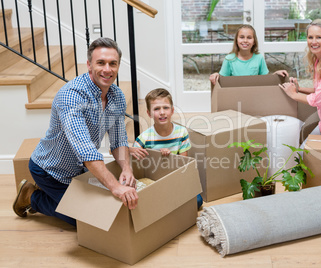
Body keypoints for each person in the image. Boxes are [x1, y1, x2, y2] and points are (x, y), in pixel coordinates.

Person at [12, 37, 138, 226]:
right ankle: (31, 197)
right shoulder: (71, 96)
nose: (107, 69)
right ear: (89, 64)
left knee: (107, 212)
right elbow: (86, 151)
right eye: (100, 63)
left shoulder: (117, 96)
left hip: (79, 171)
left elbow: (119, 139)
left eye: (113, 63)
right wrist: (116, 187)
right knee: (86, 222)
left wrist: (127, 169)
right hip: (50, 170)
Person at [129, 88, 203, 209]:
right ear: (149, 113)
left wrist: (169, 158)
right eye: (156, 109)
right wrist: (156, 155)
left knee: (198, 200)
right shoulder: (145, 137)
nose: (162, 112)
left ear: (172, 110)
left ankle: (168, 205)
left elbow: (182, 163)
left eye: (166, 108)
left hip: (176, 179)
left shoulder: (181, 132)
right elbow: (133, 158)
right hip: (154, 182)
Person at [209, 24, 288, 85]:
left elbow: (265, 80)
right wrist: (217, 75)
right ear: (236, 40)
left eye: (249, 38)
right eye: (242, 37)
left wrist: (275, 74)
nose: (245, 40)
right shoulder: (229, 59)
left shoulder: (259, 58)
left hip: (254, 96)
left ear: (254, 41)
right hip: (234, 96)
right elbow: (222, 81)